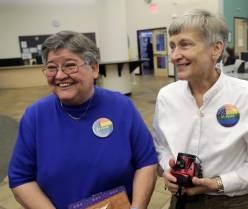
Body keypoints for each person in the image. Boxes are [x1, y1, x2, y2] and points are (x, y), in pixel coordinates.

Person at [8, 31, 158, 209]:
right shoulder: (35, 116)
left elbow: (146, 162)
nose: (60, 75)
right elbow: (21, 179)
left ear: (94, 68)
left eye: (70, 65)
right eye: (51, 67)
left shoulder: (122, 107)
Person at [153, 9, 248, 209]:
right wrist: (167, 169)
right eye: (172, 46)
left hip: (234, 202)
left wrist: (218, 184)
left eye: (185, 45)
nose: (174, 56)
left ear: (216, 49)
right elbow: (161, 148)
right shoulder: (166, 97)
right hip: (181, 201)